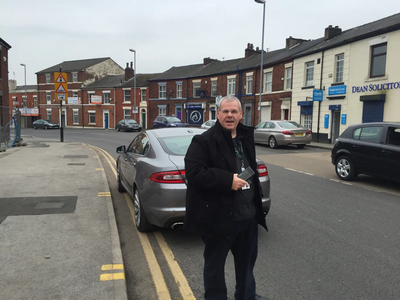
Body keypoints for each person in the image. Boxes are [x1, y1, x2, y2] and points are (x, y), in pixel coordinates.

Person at [184, 95, 269, 300]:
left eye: (234, 112)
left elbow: (249, 168)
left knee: (246, 264)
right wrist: (227, 181)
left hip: (247, 216)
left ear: (241, 114)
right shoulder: (203, 141)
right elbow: (194, 173)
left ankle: (246, 296)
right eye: (225, 111)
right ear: (218, 114)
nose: (229, 115)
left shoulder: (245, 136)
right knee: (214, 267)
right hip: (218, 218)